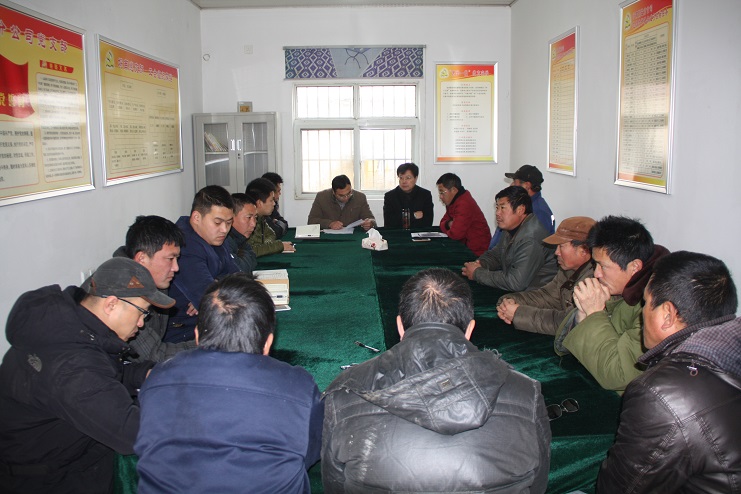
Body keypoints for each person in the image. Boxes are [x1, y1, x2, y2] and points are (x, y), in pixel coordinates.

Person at [322, 268, 550, 493]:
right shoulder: (527, 392)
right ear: (470, 330)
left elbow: (334, 484)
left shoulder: (346, 391)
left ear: (400, 326)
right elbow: (538, 484)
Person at [135, 274, 323, 493]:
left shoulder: (157, 380)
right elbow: (310, 453)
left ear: (197, 336)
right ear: (268, 343)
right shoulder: (299, 387)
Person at [0, 258, 175, 493]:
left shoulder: (71, 328)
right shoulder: (72, 364)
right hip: (51, 478)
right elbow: (132, 433)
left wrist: (147, 373)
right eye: (142, 312)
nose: (142, 323)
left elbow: (107, 375)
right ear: (111, 304)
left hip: (64, 455)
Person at [598, 251, 740, 493]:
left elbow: (618, 489)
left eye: (645, 303)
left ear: (667, 315)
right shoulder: (728, 349)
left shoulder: (662, 393)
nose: (641, 312)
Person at [554, 216, 669, 392]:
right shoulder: (618, 287)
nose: (596, 274)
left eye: (603, 266)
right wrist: (582, 315)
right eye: (595, 265)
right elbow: (562, 346)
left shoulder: (653, 307)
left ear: (634, 267)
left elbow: (620, 376)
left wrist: (594, 314)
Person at [110, 215, 196, 362]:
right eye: (170, 259)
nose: (176, 268)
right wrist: (207, 344)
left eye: (177, 259)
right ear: (141, 258)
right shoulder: (124, 293)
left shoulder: (155, 280)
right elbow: (154, 356)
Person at [497, 216, 596, 335]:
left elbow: (567, 323)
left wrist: (518, 313)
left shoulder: (595, 281)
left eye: (561, 246)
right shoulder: (568, 269)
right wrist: (509, 301)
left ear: (583, 250)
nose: (556, 252)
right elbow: (547, 296)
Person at [166, 185, 240, 343]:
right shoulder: (183, 245)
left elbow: (239, 277)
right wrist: (211, 293)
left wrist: (215, 284)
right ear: (196, 218)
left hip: (207, 323)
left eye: (229, 223)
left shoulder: (214, 237)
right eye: (218, 222)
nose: (224, 229)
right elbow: (213, 303)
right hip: (184, 333)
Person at [462, 186, 557, 291]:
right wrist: (481, 264)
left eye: (502, 208)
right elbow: (496, 255)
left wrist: (477, 273)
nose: (497, 213)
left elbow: (516, 282)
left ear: (520, 210)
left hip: (536, 294)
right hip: (519, 288)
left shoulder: (531, 239)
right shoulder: (511, 228)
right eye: (497, 208)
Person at [489, 164, 554, 249]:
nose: (511, 185)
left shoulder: (538, 212)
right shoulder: (520, 204)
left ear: (527, 186)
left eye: (514, 182)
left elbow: (531, 248)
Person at [437, 173, 491, 256]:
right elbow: (442, 223)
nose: (440, 197)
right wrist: (448, 224)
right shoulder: (454, 201)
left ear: (454, 190)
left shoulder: (464, 204)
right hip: (465, 247)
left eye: (442, 192)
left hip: (477, 253)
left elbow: (455, 234)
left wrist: (448, 226)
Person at [245, 177, 295, 256]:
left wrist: (264, 246)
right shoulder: (246, 221)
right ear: (259, 203)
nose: (274, 204)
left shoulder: (261, 218)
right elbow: (251, 250)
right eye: (271, 200)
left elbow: (272, 235)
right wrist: (278, 246)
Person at [307, 174, 375, 230]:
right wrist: (330, 223)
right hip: (329, 237)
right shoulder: (322, 197)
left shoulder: (360, 197)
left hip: (353, 236)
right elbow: (311, 221)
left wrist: (370, 223)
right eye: (341, 196)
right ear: (333, 192)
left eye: (349, 193)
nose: (346, 198)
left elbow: (371, 219)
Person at [383, 162, 434, 228]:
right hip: (397, 232)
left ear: (415, 178)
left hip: (418, 233)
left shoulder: (425, 195)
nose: (404, 181)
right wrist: (413, 216)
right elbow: (389, 222)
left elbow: (428, 222)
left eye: (408, 178)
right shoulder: (390, 196)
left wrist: (400, 218)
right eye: (401, 178)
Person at [225, 192, 259, 272]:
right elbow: (240, 269)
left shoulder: (240, 238)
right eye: (249, 217)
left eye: (255, 217)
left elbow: (253, 257)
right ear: (231, 217)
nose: (254, 224)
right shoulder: (225, 239)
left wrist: (242, 254)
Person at [261, 171, 288, 238]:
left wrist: (277, 222)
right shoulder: (262, 209)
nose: (280, 193)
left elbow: (284, 223)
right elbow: (276, 232)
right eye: (278, 191)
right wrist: (276, 223)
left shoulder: (273, 204)